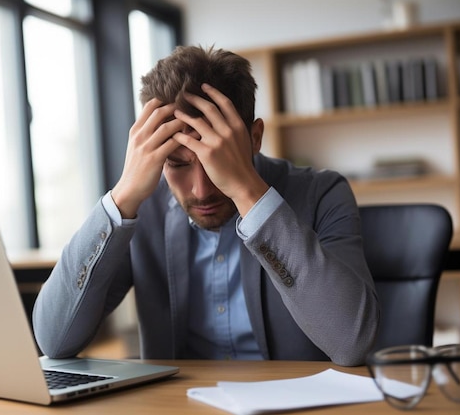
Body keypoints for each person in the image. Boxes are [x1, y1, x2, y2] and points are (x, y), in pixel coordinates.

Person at [32, 45, 379, 366]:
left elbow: (352, 342)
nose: (201, 190)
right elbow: (54, 340)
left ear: (254, 138)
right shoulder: (140, 210)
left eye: (217, 160)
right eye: (178, 164)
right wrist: (121, 198)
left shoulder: (322, 193)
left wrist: (248, 193)